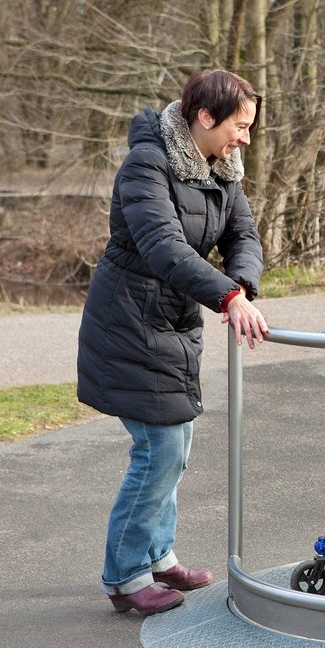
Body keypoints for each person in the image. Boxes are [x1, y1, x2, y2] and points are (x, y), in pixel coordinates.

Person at [77, 69, 270, 616]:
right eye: (240, 126)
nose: (246, 139)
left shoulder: (221, 167)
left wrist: (242, 287)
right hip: (129, 323)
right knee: (158, 451)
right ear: (204, 118)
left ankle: (158, 556)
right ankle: (125, 575)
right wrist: (228, 298)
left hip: (174, 321)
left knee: (175, 448)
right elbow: (162, 245)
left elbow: (243, 235)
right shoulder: (148, 163)